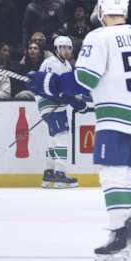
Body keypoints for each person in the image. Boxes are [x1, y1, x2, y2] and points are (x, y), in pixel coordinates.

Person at [25, 0, 131, 261]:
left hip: (116, 119)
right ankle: (124, 236)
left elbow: (84, 80)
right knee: (124, 178)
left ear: (100, 9)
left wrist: (50, 84)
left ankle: (120, 238)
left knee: (112, 177)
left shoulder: (98, 37)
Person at [37, 36, 80, 189]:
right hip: (49, 104)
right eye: (62, 47)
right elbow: (46, 86)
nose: (66, 50)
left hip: (58, 105)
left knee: (54, 139)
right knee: (62, 136)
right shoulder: (50, 63)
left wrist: (74, 98)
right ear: (56, 49)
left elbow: (67, 89)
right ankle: (60, 174)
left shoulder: (67, 65)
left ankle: (48, 174)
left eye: (68, 48)